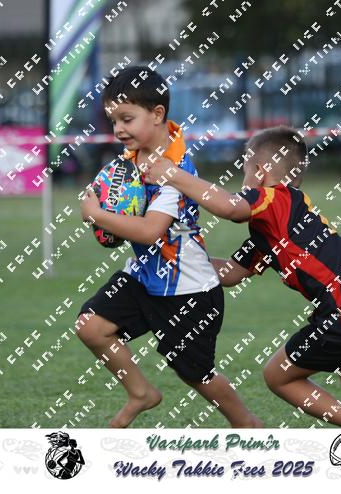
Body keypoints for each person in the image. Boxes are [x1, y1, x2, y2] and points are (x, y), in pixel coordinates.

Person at [144, 126, 341, 428]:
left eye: (245, 169)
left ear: (260, 172)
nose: (243, 178)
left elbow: (230, 208)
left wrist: (174, 175)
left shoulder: (274, 197)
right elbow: (231, 273)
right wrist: (174, 255)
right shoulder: (277, 221)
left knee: (278, 375)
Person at [77, 66, 261, 428]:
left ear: (157, 114)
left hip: (188, 290)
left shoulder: (174, 169)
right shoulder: (131, 159)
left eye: (127, 119)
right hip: (144, 278)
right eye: (113, 121)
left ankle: (248, 424)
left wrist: (98, 215)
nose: (118, 130)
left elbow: (150, 231)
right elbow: (127, 213)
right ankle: (141, 393)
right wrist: (108, 213)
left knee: (195, 373)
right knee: (91, 326)